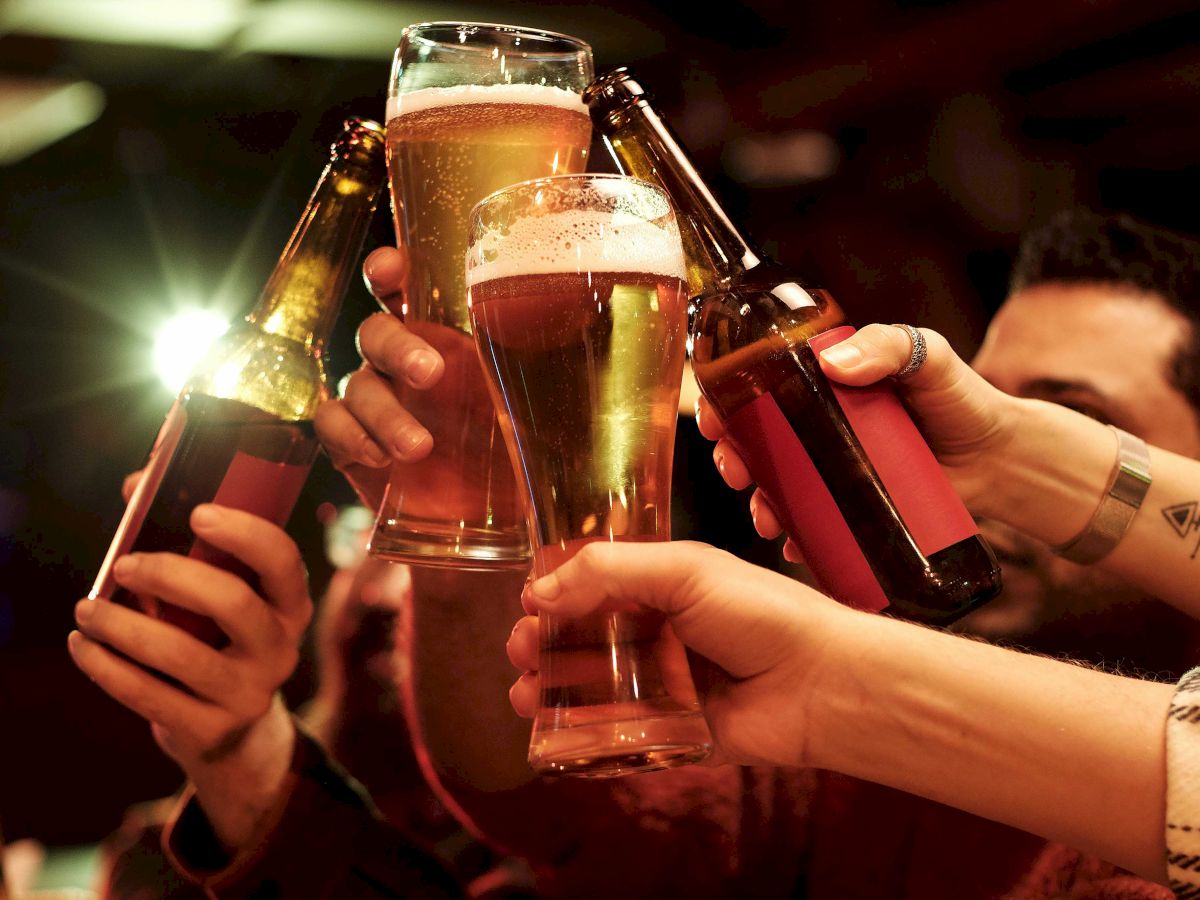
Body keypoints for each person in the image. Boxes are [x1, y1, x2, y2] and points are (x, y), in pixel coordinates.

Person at [79, 210, 1200, 898]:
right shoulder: (869, 792)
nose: (950, 428)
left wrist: (843, 678)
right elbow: (559, 804)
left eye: (1076, 411)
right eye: (997, 390)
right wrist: (470, 543)